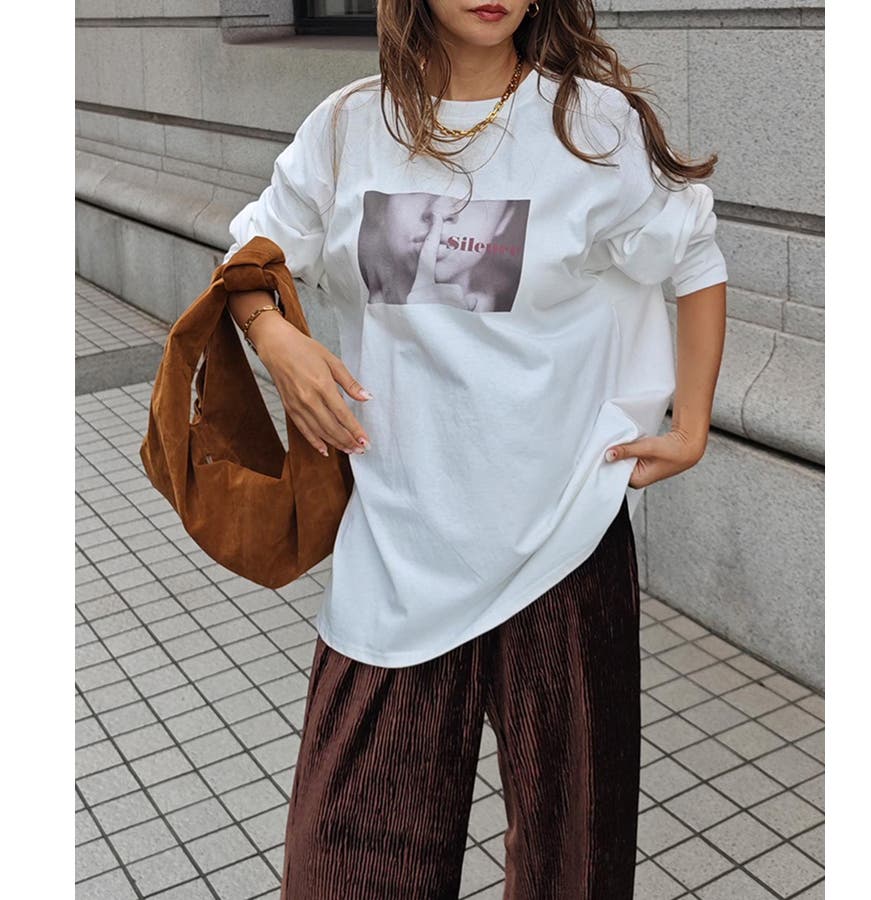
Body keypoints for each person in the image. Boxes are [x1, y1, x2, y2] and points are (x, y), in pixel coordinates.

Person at [223, 2, 727, 897]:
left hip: (562, 540)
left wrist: (692, 424)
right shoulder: (348, 128)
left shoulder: (591, 125)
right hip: (398, 551)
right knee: (345, 865)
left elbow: (694, 252)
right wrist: (274, 336)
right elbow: (250, 257)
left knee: (575, 862)